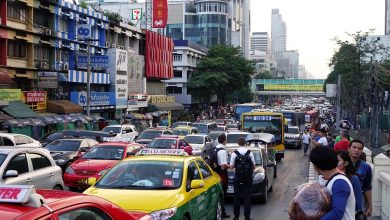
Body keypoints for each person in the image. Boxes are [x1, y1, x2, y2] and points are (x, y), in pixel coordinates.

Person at [309, 146, 355, 220]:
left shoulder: (340, 183)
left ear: (318, 165)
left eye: (314, 164)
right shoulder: (326, 179)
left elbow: (337, 213)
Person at [229, 137, 255, 220]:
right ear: (245, 143)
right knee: (247, 197)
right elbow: (253, 166)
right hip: (247, 177)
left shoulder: (234, 153)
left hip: (238, 177)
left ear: (238, 143)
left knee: (236, 197)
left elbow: (231, 167)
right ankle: (247, 217)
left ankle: (236, 216)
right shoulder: (250, 153)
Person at [336, 151, 365, 219]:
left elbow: (359, 198)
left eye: (338, 161)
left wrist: (357, 211)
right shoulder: (331, 177)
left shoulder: (354, 179)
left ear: (346, 163)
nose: (334, 163)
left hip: (350, 214)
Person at [348, 140, 372, 217]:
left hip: (360, 200)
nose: (356, 150)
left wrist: (370, 205)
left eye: (359, 148)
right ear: (349, 148)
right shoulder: (341, 163)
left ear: (362, 150)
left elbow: (367, 187)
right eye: (354, 147)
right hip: (344, 198)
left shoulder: (366, 167)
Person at [215, 133, 231, 218]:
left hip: (216, 173)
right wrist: (231, 166)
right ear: (224, 140)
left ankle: (220, 211)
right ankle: (222, 212)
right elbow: (224, 165)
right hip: (222, 174)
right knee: (223, 193)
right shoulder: (223, 151)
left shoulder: (216, 148)